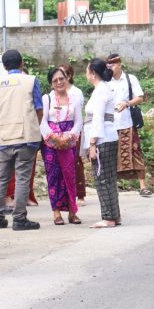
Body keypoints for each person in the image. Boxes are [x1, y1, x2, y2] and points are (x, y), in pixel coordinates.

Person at [0, 50, 43, 231]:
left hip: (4, 136)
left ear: (4, 67)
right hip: (25, 136)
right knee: (22, 178)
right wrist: (34, 127)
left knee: (1, 178)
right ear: (22, 64)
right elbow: (38, 108)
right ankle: (19, 218)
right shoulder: (30, 80)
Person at [40, 67, 83, 226]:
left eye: (62, 79)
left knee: (70, 176)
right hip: (51, 143)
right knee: (54, 176)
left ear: (67, 79)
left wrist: (69, 136)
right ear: (51, 84)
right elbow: (43, 121)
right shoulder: (47, 99)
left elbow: (78, 121)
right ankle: (56, 213)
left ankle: (73, 212)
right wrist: (54, 137)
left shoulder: (75, 98)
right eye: (55, 80)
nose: (59, 82)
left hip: (69, 141)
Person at [107, 54, 151, 197]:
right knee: (112, 154)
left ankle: (142, 186)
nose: (111, 68)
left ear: (119, 64)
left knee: (135, 151)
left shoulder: (130, 79)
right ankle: (114, 186)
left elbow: (140, 97)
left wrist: (127, 104)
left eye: (113, 65)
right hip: (111, 125)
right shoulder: (106, 81)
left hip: (127, 122)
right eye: (109, 65)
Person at [84, 58, 121, 228]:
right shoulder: (104, 89)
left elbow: (98, 118)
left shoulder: (100, 91)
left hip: (102, 139)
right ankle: (113, 214)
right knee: (109, 178)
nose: (86, 74)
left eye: (87, 71)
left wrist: (92, 143)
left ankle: (108, 217)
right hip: (107, 137)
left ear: (92, 74)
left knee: (102, 179)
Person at [62, 64, 87, 206]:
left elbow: (77, 113)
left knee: (76, 161)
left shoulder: (76, 92)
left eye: (62, 76)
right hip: (58, 130)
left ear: (69, 76)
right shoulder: (55, 93)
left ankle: (80, 194)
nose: (59, 80)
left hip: (74, 129)